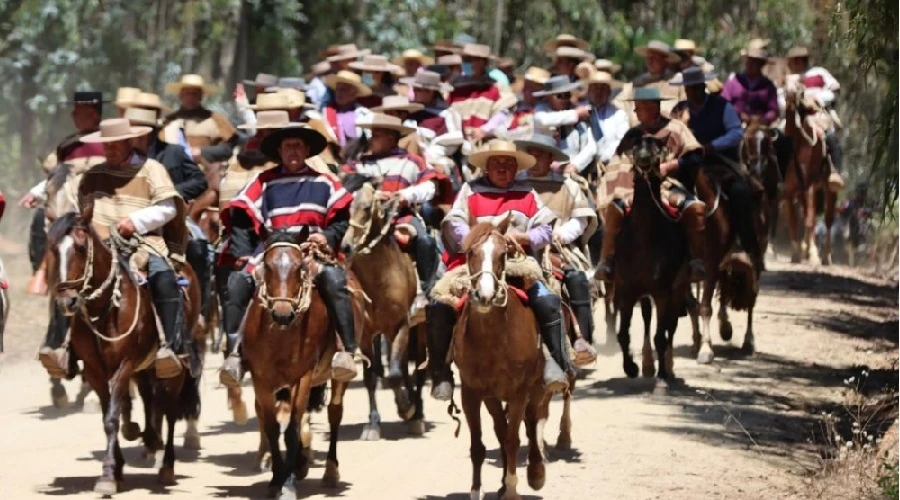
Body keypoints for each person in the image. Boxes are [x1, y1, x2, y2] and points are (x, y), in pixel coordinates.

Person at [428, 140, 574, 401]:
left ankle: (555, 362)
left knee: (548, 300)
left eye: (509, 163)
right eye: (497, 163)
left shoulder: (528, 193)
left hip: (519, 261)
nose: (503, 168)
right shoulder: (470, 191)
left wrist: (526, 238)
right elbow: (455, 222)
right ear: (487, 166)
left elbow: (546, 228)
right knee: (440, 304)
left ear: (517, 167)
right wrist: (480, 238)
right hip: (475, 263)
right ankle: (441, 372)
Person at [45, 119, 192, 378]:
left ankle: (172, 347)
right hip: (99, 247)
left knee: (163, 277)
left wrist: (134, 222)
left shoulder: (152, 170)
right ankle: (62, 347)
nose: (110, 150)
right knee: (68, 281)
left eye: (115, 144)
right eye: (106, 145)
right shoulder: (93, 176)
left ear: (129, 142)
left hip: (144, 244)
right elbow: (79, 210)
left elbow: (168, 208)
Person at [218, 123, 362, 387]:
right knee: (237, 282)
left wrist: (327, 237)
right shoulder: (263, 181)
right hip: (271, 252)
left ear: (307, 150)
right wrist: (241, 252)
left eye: (298, 146)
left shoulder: (325, 181)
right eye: (287, 147)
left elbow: (341, 218)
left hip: (311, 251)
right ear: (279, 152)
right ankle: (234, 354)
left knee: (334, 281)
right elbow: (240, 213)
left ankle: (347, 351)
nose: (293, 151)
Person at [595, 87, 707, 283]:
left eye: (639, 108)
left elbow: (695, 157)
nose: (636, 112)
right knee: (614, 209)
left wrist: (670, 166)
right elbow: (618, 163)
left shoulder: (676, 128)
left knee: (695, 209)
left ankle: (695, 260)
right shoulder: (633, 134)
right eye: (636, 108)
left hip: (667, 186)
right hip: (632, 189)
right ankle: (607, 261)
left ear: (653, 107)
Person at [340, 113, 449, 295]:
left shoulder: (412, 161)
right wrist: (369, 195)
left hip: (401, 217)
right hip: (363, 219)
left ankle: (428, 291)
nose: (371, 139)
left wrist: (403, 195)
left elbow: (430, 186)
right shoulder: (358, 164)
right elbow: (342, 185)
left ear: (391, 138)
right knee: (339, 241)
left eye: (377, 135)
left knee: (425, 241)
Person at [671, 67, 764, 272]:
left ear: (703, 86)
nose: (692, 91)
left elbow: (735, 133)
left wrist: (711, 146)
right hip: (687, 164)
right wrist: (680, 125)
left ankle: (745, 246)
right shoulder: (679, 111)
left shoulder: (722, 106)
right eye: (689, 87)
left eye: (696, 86)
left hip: (720, 162)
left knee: (740, 192)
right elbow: (670, 135)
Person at [515, 133, 599, 346]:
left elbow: (581, 220)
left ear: (551, 158)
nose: (534, 160)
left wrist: (561, 235)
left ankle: (583, 341)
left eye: (539, 155)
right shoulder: (516, 183)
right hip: (516, 246)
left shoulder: (567, 185)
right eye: (530, 155)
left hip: (557, 248)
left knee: (577, 278)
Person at [23, 91, 109, 296]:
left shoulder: (110, 142)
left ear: (94, 115)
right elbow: (58, 175)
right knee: (39, 219)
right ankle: (43, 270)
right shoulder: (68, 145)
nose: (73, 116)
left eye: (79, 112)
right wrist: (37, 192)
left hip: (99, 200)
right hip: (66, 201)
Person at [785, 46, 844, 191]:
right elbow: (782, 98)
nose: (797, 63)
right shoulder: (789, 79)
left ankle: (835, 171)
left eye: (800, 60)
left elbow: (834, 89)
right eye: (794, 60)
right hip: (796, 116)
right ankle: (783, 176)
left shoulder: (819, 72)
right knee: (780, 137)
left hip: (817, 115)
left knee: (830, 135)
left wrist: (817, 98)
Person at [163, 74, 240, 165]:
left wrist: (202, 152)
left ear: (201, 96)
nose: (190, 97)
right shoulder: (169, 120)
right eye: (187, 93)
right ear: (180, 95)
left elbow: (228, 148)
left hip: (204, 172)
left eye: (195, 94)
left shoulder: (215, 119)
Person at [447, 44, 513, 144]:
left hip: (484, 142)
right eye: (465, 60)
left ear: (482, 62)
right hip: (456, 141)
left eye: (470, 60)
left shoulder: (496, 87)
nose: (467, 64)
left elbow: (503, 112)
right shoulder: (456, 86)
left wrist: (485, 129)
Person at [533, 76, 596, 174]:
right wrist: (577, 114)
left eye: (567, 95)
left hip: (575, 170)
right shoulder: (541, 110)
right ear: (548, 97)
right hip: (545, 171)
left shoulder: (581, 115)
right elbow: (544, 120)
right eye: (559, 96)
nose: (564, 99)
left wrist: (574, 165)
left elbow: (591, 146)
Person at [615, 40, 685, 124]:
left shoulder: (678, 80)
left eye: (654, 58)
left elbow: (687, 106)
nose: (650, 61)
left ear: (665, 60)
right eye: (648, 57)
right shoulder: (638, 82)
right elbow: (618, 102)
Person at [721, 48, 779, 126]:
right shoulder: (734, 82)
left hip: (759, 127)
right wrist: (738, 113)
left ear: (761, 65)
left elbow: (773, 110)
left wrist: (763, 119)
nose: (750, 64)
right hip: (733, 124)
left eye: (754, 62)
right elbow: (723, 102)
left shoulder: (768, 86)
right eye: (748, 61)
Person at [583, 70, 630, 166]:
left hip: (609, 165)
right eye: (595, 87)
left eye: (603, 88)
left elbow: (622, 141)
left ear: (609, 92)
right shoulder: (580, 112)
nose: (598, 92)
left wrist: (603, 158)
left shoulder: (619, 115)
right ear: (588, 90)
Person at [321, 70, 374, 152]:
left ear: (354, 93)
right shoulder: (326, 112)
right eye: (338, 89)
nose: (339, 93)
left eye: (344, 90)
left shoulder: (365, 114)